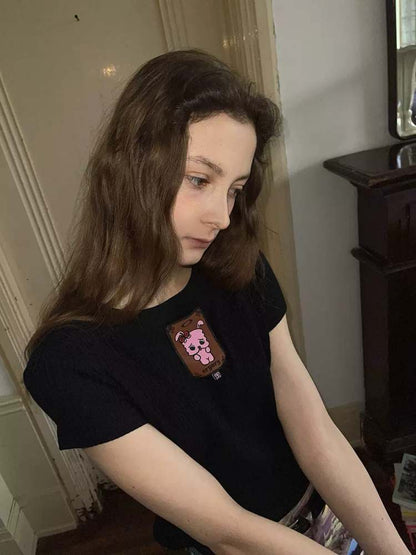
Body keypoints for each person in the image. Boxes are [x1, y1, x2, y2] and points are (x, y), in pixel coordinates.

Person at [22, 49, 409, 555]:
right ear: (130, 169)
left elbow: (315, 430)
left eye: (234, 190)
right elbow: (227, 532)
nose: (223, 217)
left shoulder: (240, 270)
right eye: (200, 180)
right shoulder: (68, 363)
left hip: (325, 514)